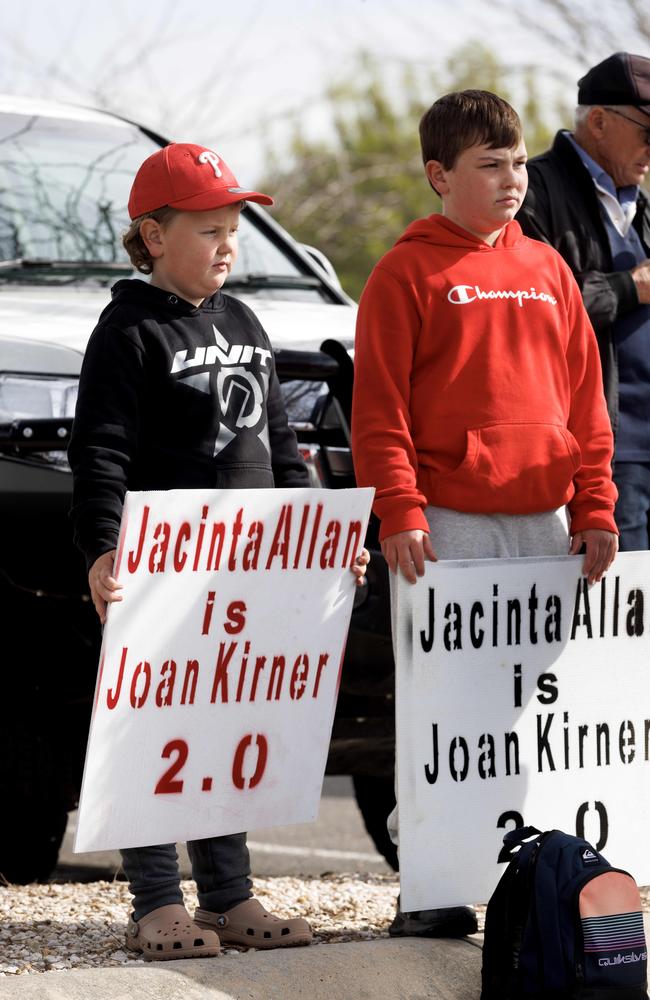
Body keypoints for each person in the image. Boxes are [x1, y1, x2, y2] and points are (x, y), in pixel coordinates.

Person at [68, 142, 368, 961]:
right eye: (209, 229)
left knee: (224, 727)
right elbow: (99, 452)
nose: (228, 244)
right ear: (154, 236)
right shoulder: (128, 330)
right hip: (162, 578)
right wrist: (102, 550)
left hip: (249, 575)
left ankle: (230, 895)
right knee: (156, 730)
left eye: (234, 227)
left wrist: (322, 537)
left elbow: (281, 445)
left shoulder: (246, 321)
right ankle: (157, 902)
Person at [351, 90, 618, 939]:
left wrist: (596, 503)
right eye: (489, 166)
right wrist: (400, 510)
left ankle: (534, 879)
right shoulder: (405, 272)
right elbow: (380, 411)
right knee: (444, 709)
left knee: (534, 709)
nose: (511, 180)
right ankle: (429, 883)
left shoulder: (548, 270)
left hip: (544, 523)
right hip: (446, 520)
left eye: (515, 164)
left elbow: (588, 401)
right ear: (440, 175)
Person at [517, 52, 650, 552]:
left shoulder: (638, 201)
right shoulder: (532, 192)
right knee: (625, 618)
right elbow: (534, 307)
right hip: (604, 453)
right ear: (599, 120)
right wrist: (630, 286)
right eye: (648, 133)